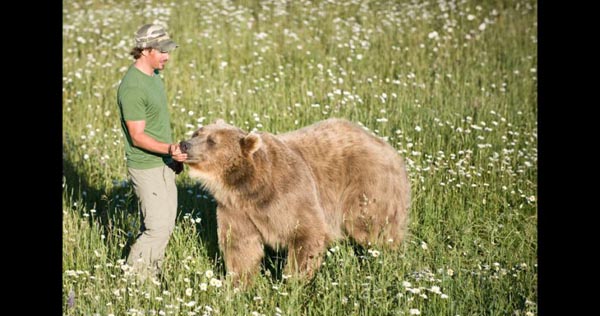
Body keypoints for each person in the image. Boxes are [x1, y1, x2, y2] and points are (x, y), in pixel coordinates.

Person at [117, 23, 187, 282]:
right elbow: (137, 137)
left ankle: (151, 274)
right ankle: (134, 283)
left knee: (165, 225)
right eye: (162, 51)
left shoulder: (154, 76)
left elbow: (156, 126)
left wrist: (172, 157)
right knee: (156, 229)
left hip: (164, 162)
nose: (167, 56)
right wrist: (169, 149)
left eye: (168, 51)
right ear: (145, 50)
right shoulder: (133, 87)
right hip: (147, 166)